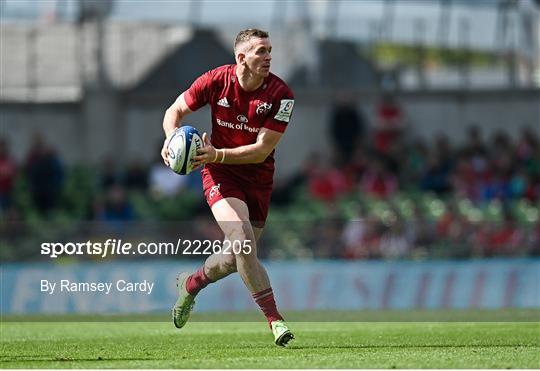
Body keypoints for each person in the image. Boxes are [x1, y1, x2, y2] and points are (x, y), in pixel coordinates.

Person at [160, 29, 295, 346]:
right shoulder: (216, 80)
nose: (268, 57)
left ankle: (192, 284)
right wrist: (170, 138)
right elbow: (174, 112)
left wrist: (217, 152)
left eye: (269, 51)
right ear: (242, 58)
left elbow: (262, 150)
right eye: (261, 51)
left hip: (258, 178)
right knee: (244, 241)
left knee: (235, 257)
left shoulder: (281, 95)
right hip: (220, 173)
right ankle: (275, 321)